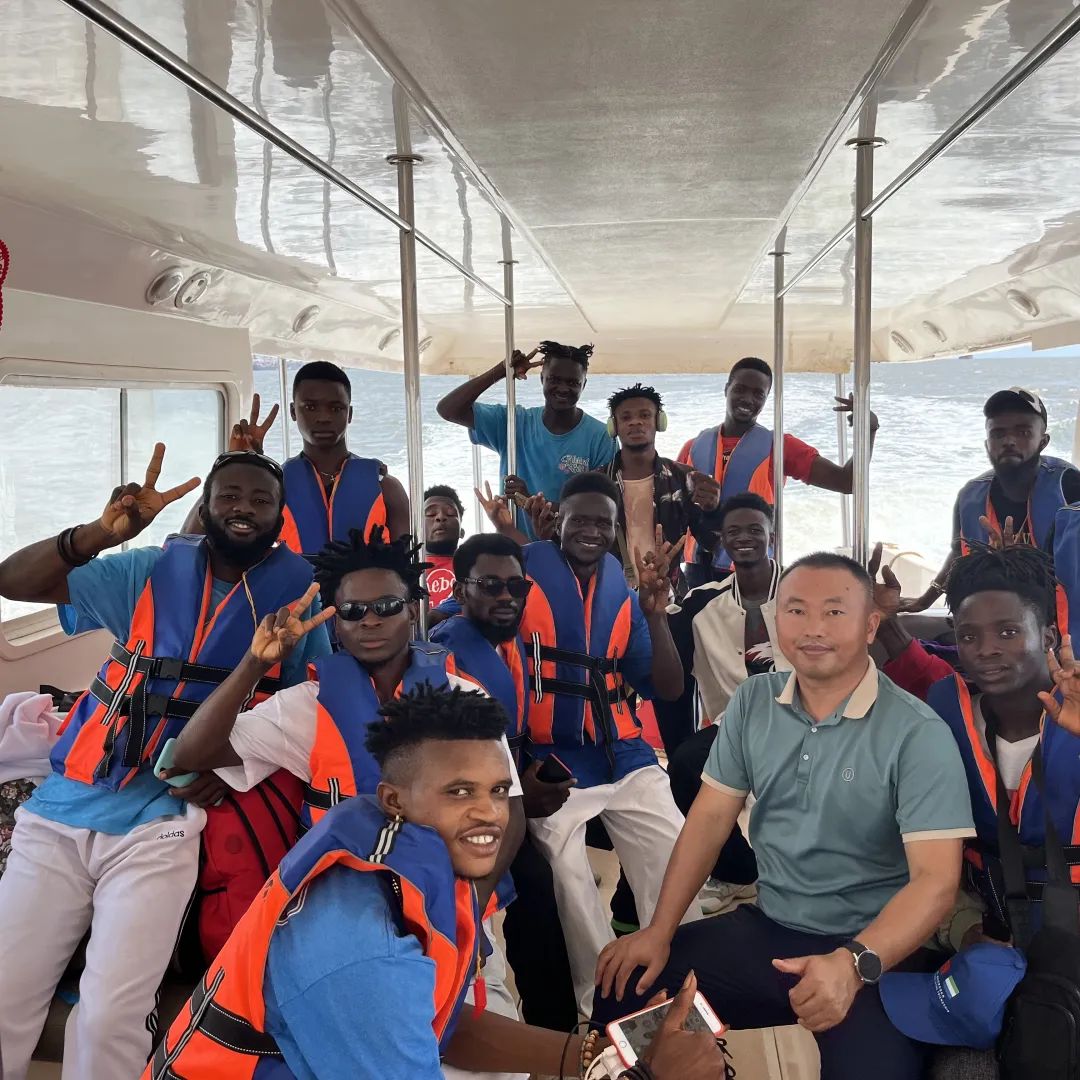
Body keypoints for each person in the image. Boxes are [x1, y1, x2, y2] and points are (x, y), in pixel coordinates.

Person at [146, 687, 730, 1080]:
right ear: (394, 799)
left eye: (497, 791)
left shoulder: (404, 861)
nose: (490, 814)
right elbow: (389, 1003)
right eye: (459, 792)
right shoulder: (361, 949)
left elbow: (437, 1024)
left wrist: (594, 1056)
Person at [0, 446, 332, 1080]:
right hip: (61, 809)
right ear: (205, 506)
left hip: (165, 824)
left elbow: (302, 713)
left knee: (110, 1016)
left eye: (261, 500)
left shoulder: (297, 602)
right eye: (229, 495)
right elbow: (13, 582)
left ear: (280, 517)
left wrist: (231, 766)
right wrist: (97, 535)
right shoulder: (147, 570)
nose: (243, 508)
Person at [594, 553, 976, 1080]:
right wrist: (659, 930)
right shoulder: (755, 701)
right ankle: (699, 1066)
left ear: (870, 626)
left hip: (875, 950)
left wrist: (853, 964)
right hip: (772, 931)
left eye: (835, 612)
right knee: (627, 991)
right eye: (796, 610)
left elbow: (936, 882)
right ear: (777, 619)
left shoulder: (917, 732)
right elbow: (708, 822)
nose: (813, 628)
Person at [165, 527, 527, 1075]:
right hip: (345, 917)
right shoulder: (305, 708)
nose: (370, 621)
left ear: (412, 609)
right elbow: (189, 756)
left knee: (495, 1053)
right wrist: (255, 663)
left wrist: (470, 912)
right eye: (353, 611)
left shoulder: (463, 699)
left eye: (387, 606)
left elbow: (510, 811)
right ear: (335, 622)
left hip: (453, 898)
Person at [515, 470, 690, 1012]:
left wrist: (655, 617)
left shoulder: (624, 592)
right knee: (569, 875)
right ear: (558, 521)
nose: (591, 530)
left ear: (615, 530)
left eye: (603, 523)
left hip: (624, 752)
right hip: (554, 760)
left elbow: (667, 688)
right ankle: (602, 1002)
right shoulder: (518, 579)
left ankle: (679, 975)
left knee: (679, 851)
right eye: (580, 519)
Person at [873, 542, 1080, 945]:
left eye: (1008, 632)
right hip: (985, 929)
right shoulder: (945, 714)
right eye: (968, 636)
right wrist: (964, 931)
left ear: (1048, 636)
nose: (986, 650)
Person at [431, 533, 578, 1031]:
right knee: (531, 889)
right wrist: (516, 797)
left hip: (509, 791)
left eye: (516, 586)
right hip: (466, 815)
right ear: (461, 589)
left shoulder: (507, 644)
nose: (506, 597)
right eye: (490, 586)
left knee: (543, 888)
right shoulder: (449, 653)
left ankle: (556, 1029)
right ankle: (544, 1030)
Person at [656, 493, 792, 917]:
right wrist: (653, 601)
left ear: (771, 534)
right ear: (721, 539)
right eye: (734, 531)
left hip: (805, 718)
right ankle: (737, 872)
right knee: (684, 764)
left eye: (754, 529)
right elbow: (665, 662)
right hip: (735, 725)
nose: (744, 538)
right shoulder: (700, 603)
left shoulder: (803, 591)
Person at [678, 357, 878, 586]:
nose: (747, 399)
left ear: (766, 399)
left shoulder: (781, 447)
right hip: (697, 570)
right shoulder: (693, 447)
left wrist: (868, 429)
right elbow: (669, 505)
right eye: (740, 389)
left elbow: (847, 482)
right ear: (726, 389)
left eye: (758, 394)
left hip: (752, 571)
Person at [904, 387, 1080, 612]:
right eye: (998, 433)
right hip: (999, 618)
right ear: (987, 444)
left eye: (1023, 432)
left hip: (1063, 624)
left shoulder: (1070, 487)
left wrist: (1020, 564)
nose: (1009, 441)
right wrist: (926, 600)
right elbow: (959, 555)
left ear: (1043, 441)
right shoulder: (970, 496)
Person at [436, 341, 614, 536]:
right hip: (514, 550)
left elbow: (601, 508)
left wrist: (530, 501)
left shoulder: (601, 437)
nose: (563, 388)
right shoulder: (513, 423)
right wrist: (502, 370)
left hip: (572, 550)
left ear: (584, 384)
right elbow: (448, 410)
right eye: (554, 379)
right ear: (542, 378)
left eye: (573, 383)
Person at [604, 384, 722, 599]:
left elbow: (711, 543)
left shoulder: (684, 478)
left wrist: (712, 510)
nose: (636, 422)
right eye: (626, 417)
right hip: (611, 598)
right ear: (614, 426)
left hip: (670, 595)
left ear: (659, 422)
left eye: (645, 415)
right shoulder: (598, 483)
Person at [424, 484, 466, 609]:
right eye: (431, 514)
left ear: (461, 531)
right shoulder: (406, 570)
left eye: (450, 513)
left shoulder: (475, 565)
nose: (440, 517)